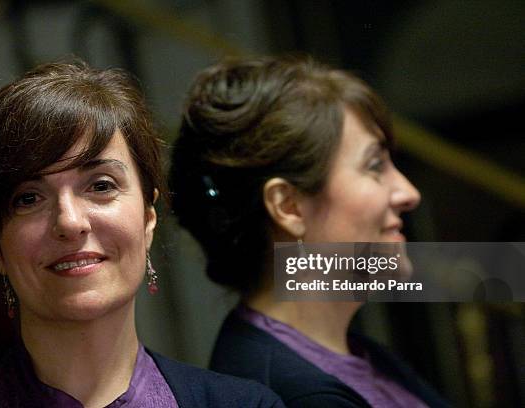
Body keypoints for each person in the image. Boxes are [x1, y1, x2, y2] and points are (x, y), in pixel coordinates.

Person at [0, 60, 285, 408]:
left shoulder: (244, 403)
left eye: (100, 185)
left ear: (148, 217)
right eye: (28, 198)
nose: (69, 221)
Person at [170, 56, 450, 407]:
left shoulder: (352, 353)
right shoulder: (294, 394)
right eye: (375, 166)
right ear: (288, 207)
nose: (409, 193)